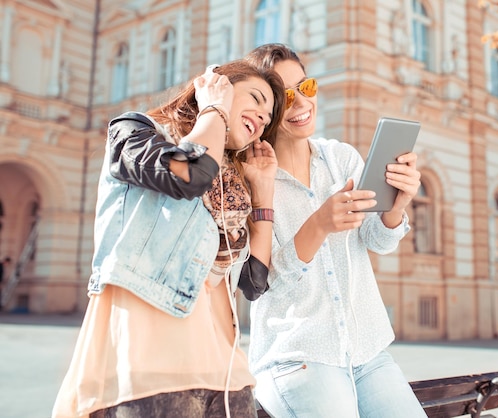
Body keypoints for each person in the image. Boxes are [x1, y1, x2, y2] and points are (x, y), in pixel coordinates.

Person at [52, 60, 285, 418]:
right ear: (216, 86)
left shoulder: (232, 183)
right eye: (255, 98)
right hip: (149, 363)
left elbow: (254, 281)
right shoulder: (136, 132)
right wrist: (213, 110)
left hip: (225, 370)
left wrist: (263, 191)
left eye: (267, 119)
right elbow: (189, 174)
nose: (261, 119)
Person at [244, 43, 427, 418]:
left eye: (305, 88)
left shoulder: (340, 158)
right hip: (299, 358)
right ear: (266, 109)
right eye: (285, 97)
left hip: (367, 351)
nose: (300, 104)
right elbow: (260, 284)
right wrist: (320, 224)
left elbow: (377, 240)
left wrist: (398, 204)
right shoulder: (253, 179)